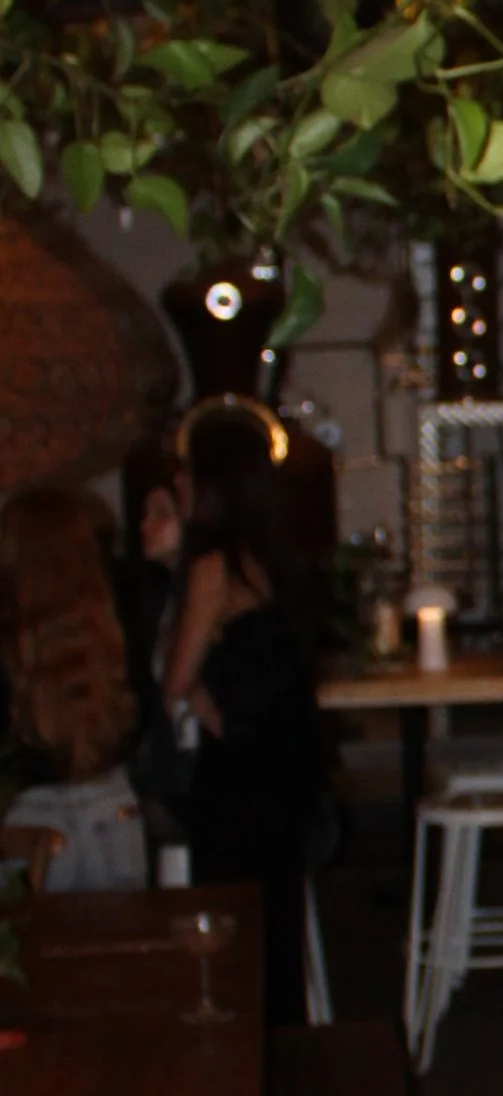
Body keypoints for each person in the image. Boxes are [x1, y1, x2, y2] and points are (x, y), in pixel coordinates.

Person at [161, 405, 324, 1022]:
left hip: (238, 780)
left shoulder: (213, 567)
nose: (178, 483)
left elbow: (177, 677)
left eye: (187, 474)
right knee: (276, 923)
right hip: (283, 765)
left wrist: (204, 701)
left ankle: (245, 1061)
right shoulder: (273, 561)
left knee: (234, 929)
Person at [0, 486, 148, 889]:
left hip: (29, 820)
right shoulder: (113, 632)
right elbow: (141, 717)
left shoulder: (12, 644)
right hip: (112, 805)